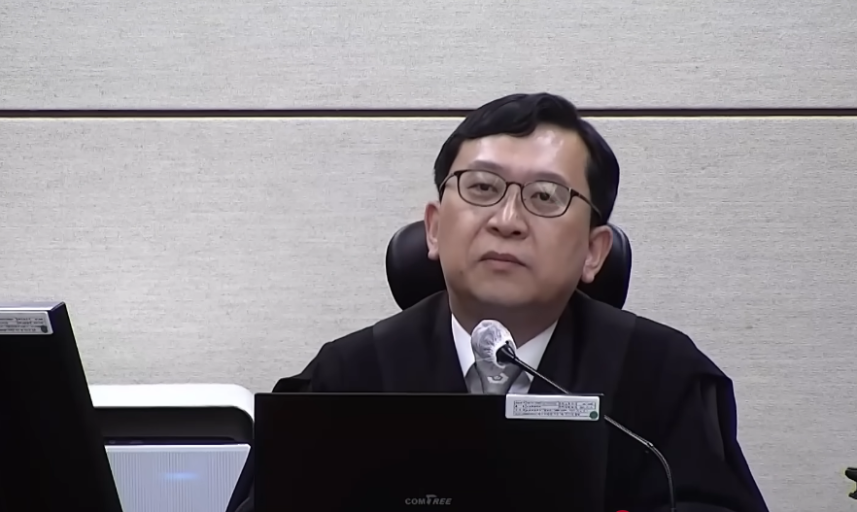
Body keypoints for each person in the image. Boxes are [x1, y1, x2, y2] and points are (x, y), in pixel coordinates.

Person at [226, 93, 769, 512]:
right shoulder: (347, 378)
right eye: (483, 188)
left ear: (594, 251)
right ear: (433, 229)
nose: (507, 221)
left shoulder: (662, 378)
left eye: (545, 197)